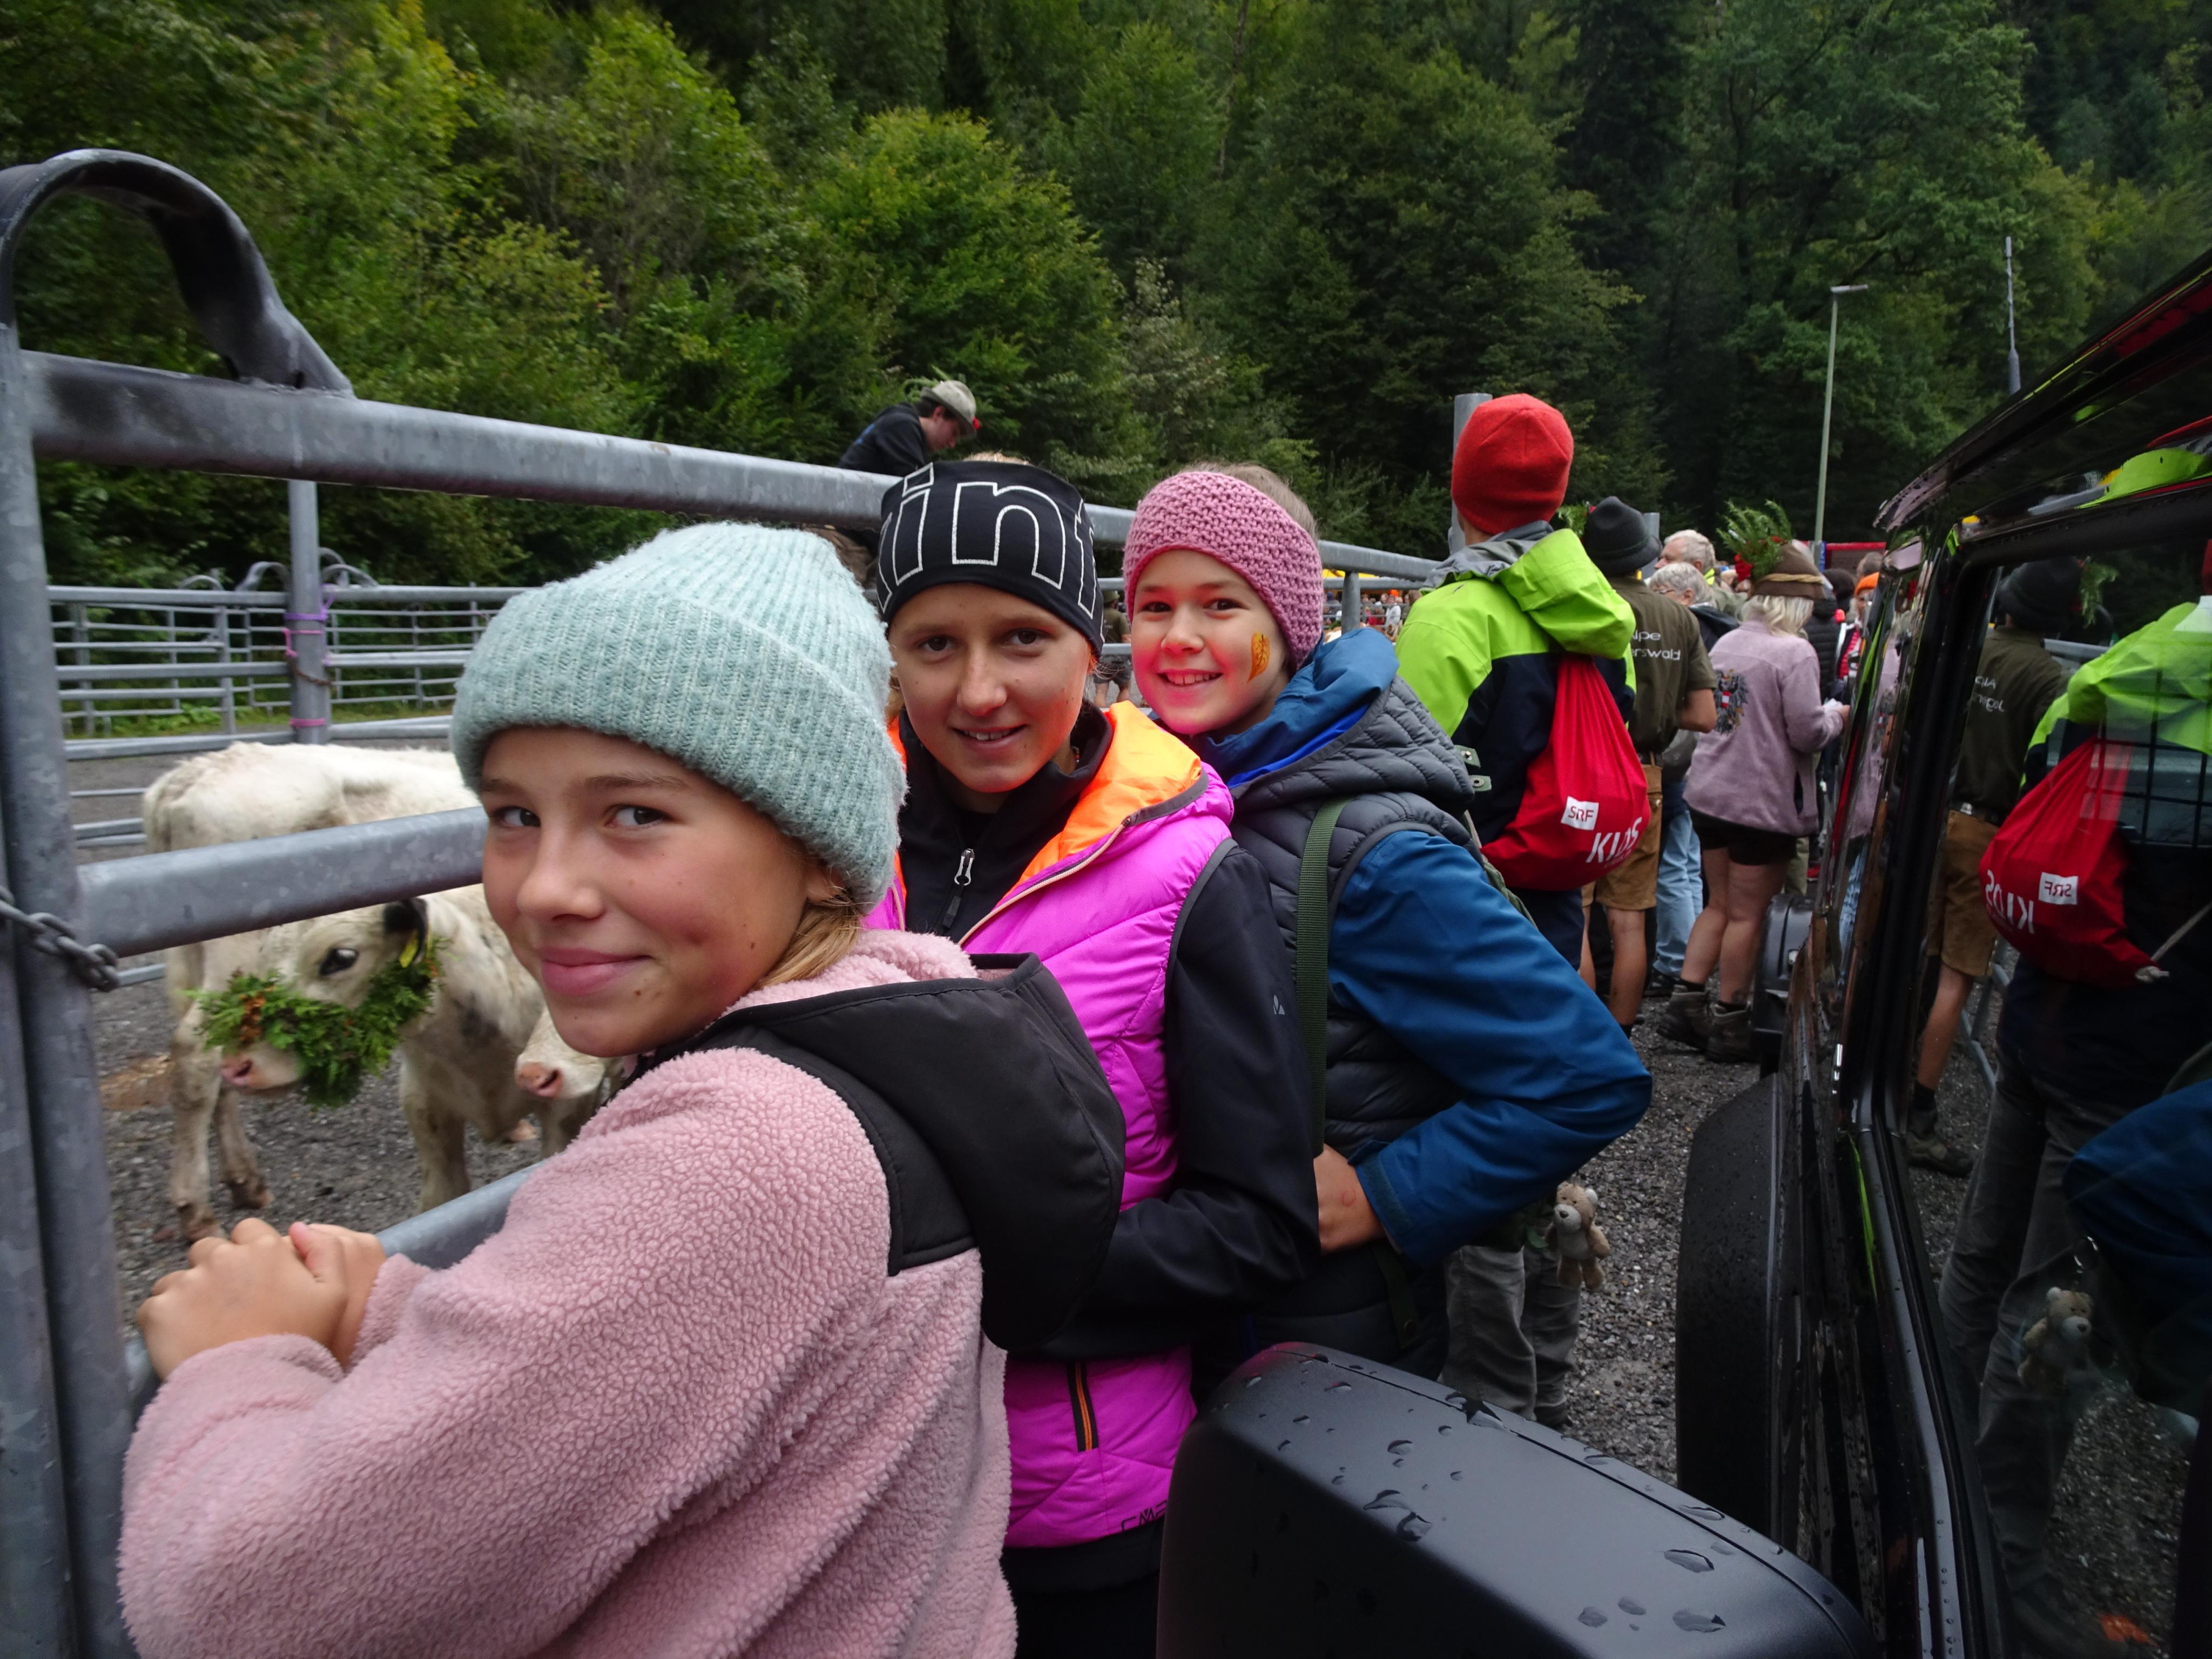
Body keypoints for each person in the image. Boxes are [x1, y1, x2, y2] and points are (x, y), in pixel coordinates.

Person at [120, 525, 1129, 1659]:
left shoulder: (728, 1168)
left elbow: (250, 1610)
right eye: (513, 815)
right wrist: (391, 1316)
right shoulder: (882, 1054)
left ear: (817, 850)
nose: (545, 887)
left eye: (635, 814)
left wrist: (243, 1363)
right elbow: (656, 1365)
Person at [866, 458, 1317, 1657]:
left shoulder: (1187, 871)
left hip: (1075, 1505)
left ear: (1088, 645)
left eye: (1022, 637)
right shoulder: (823, 845)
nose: (978, 692)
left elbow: (1259, 1220)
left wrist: (978, 1281)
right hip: (858, 1487)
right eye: (933, 644)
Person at [1122, 463, 1649, 1422]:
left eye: (1220, 604)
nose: (1180, 635)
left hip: (1321, 1336)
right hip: (1200, 1306)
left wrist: (1380, 1196)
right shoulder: (1172, 785)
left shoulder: (1372, 850)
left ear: (1289, 623)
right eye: (1153, 606)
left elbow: (1587, 1076)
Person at [1941, 550, 2212, 1659]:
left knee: (1983, 1254)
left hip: (2043, 1009)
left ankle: (1934, 1456)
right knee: (2058, 1306)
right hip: (2139, 1050)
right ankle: (1998, 1546)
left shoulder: (2121, 671)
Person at [1396, 394, 1636, 962]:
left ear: (1461, 492)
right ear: (1556, 494)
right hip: (1555, 890)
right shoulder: (1604, 619)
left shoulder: (1447, 617)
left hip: (1459, 900)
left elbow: (1404, 775)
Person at [1908, 557, 2080, 1176]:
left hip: (1931, 817)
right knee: (1958, 974)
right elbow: (2048, 771)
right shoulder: (2049, 678)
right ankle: (1917, 1117)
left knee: (1916, 957)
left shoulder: (1969, 649)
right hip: (1986, 831)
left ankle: (1879, 1070)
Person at [1656, 544, 1847, 1062]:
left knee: (1719, 905)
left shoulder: (1731, 640)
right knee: (1748, 915)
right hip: (1759, 801)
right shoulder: (1794, 652)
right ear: (1797, 604)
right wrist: (1837, 717)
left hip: (1710, 791)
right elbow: (1806, 732)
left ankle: (1685, 1003)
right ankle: (1730, 1019)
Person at [1580, 499, 1717, 1028]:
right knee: (1630, 919)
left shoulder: (1582, 606)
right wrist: (1655, 711)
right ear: (1644, 556)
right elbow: (1703, 716)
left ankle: (1580, 1034)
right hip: (1645, 773)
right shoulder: (1679, 617)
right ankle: (1620, 1034)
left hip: (1582, 770)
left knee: (1575, 912)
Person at [1644, 560, 1717, 989]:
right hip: (1696, 767)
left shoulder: (1683, 629)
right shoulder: (1715, 627)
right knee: (1686, 864)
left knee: (1672, 866)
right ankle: (1688, 959)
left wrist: (1653, 717)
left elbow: (1702, 713)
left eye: (1661, 593)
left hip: (1670, 765)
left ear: (1687, 596)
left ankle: (1675, 960)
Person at [839, 380, 980, 475]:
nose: (952, 444)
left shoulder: (902, 425)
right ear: (939, 413)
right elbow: (915, 492)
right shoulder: (902, 427)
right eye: (954, 433)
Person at [1663, 528, 1744, 618]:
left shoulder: (1712, 604)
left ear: (1696, 567)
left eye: (1669, 560)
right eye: (1661, 558)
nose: (1658, 565)